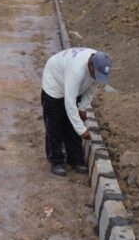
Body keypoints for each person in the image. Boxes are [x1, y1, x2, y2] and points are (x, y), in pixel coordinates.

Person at [41, 48, 112, 176]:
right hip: (54, 83)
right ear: (90, 65)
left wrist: (82, 108)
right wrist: (82, 130)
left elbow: (91, 90)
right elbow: (69, 102)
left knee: (71, 126)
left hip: (73, 86)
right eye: (96, 74)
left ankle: (75, 160)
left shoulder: (99, 64)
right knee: (55, 125)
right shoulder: (76, 71)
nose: (97, 77)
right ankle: (56, 160)